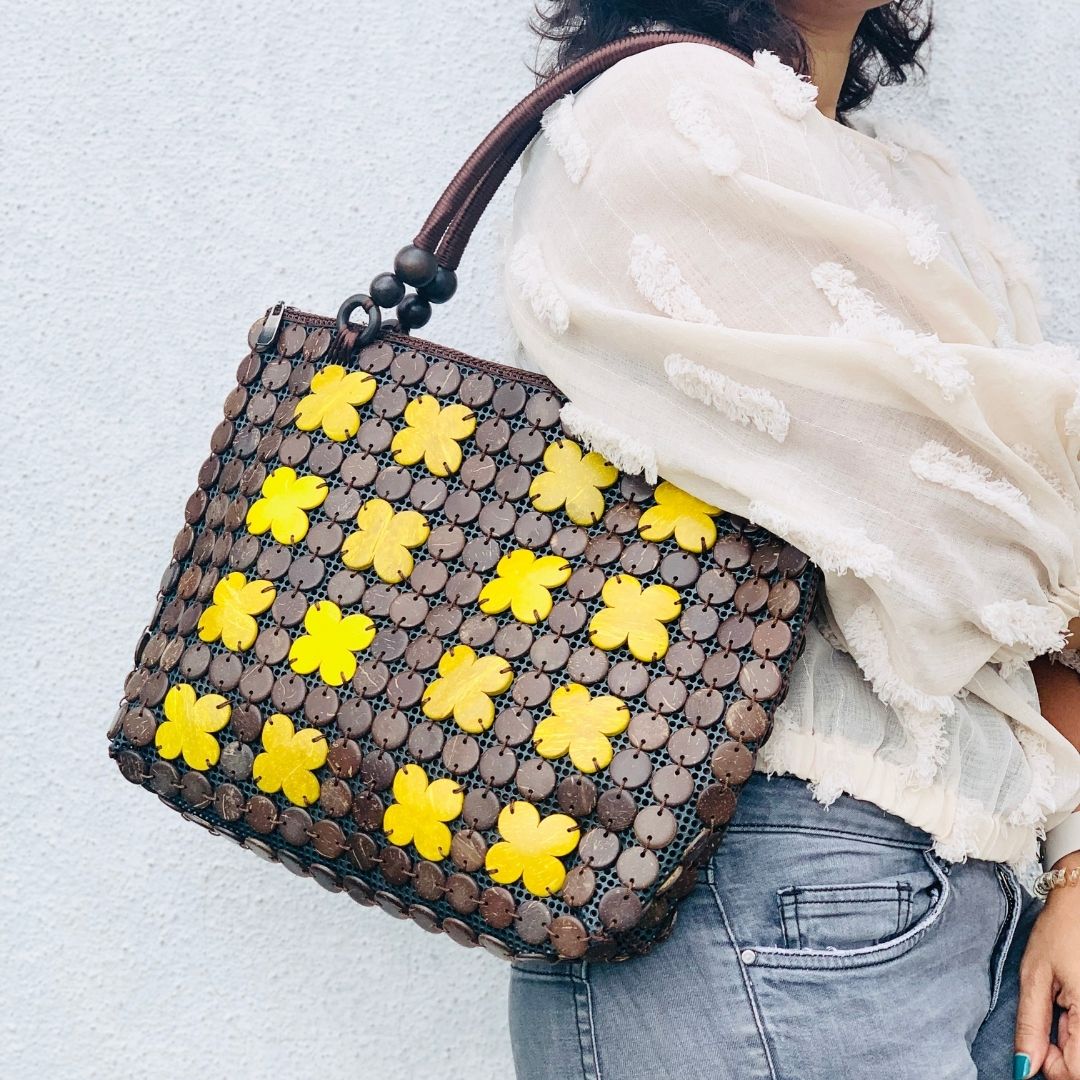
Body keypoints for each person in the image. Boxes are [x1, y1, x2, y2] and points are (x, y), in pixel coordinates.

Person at [499, 3, 1080, 1078]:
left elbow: (1019, 611)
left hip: (961, 897)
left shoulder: (906, 179)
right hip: (743, 890)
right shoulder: (660, 112)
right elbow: (969, 530)